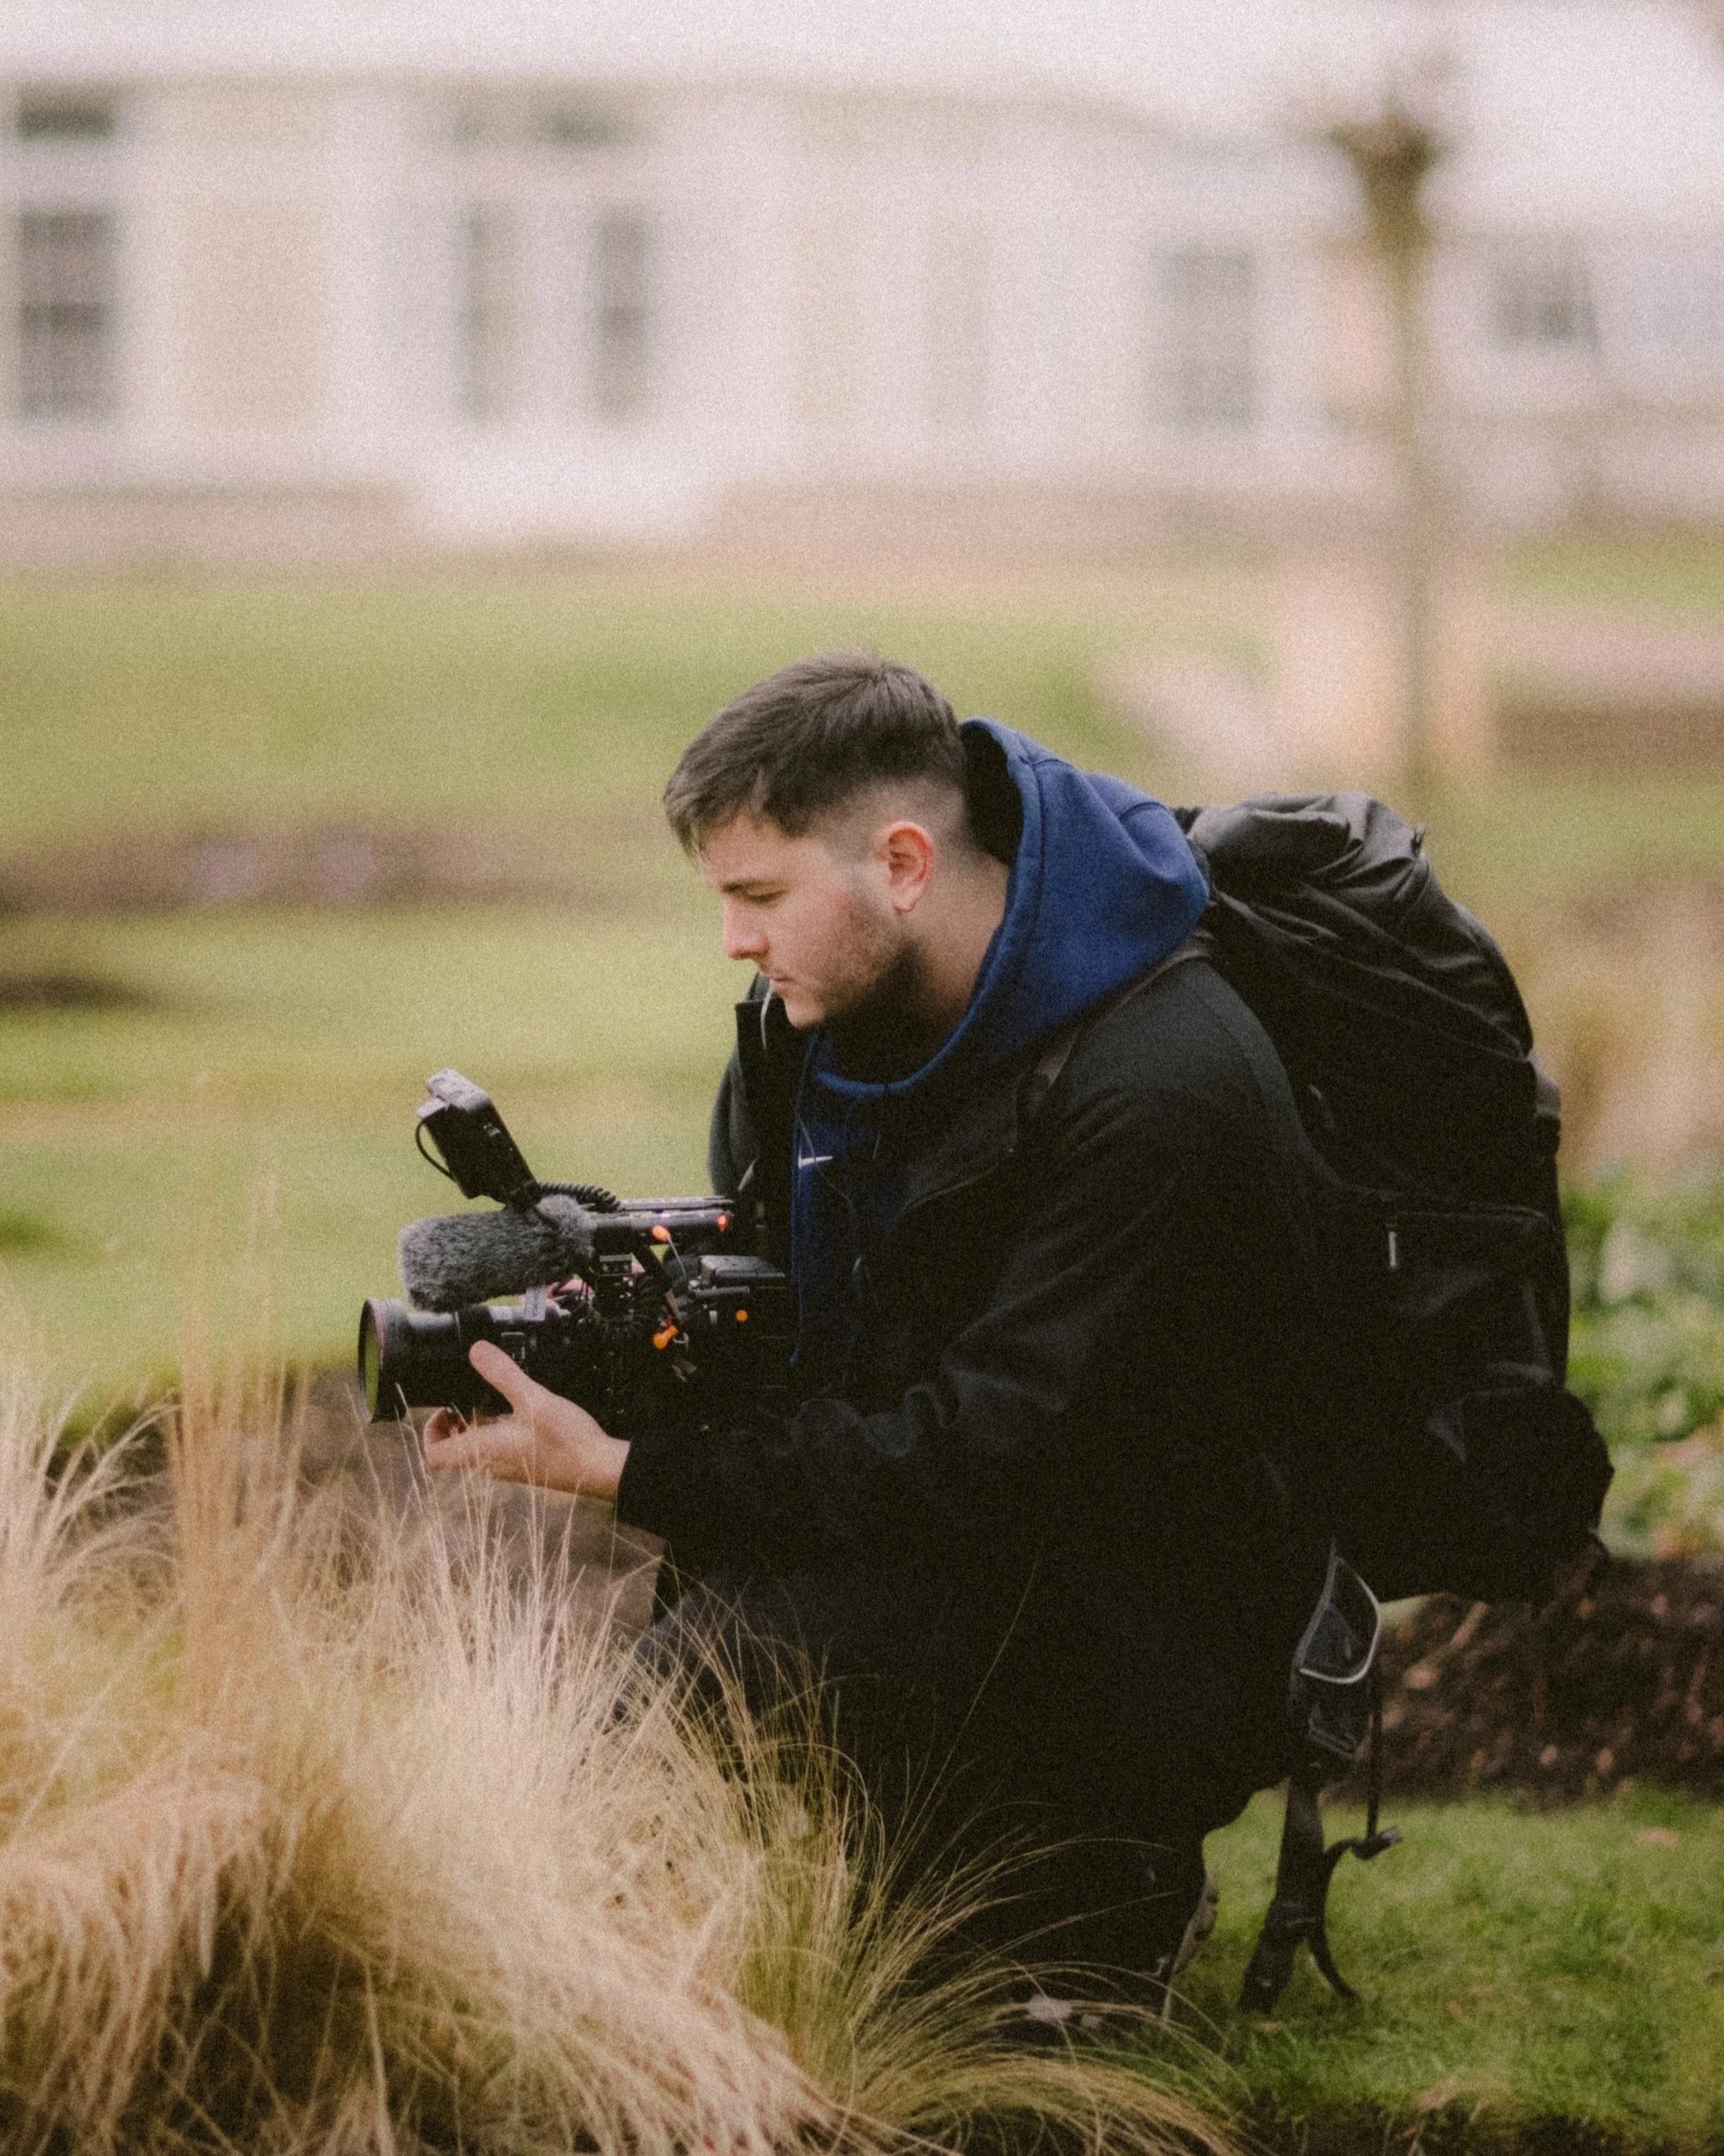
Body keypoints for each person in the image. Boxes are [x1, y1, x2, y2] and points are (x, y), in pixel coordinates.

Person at [424, 653, 1334, 1999]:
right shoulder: (814, 1033)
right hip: (978, 1535)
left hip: (1151, 1607)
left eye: (759, 896)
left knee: (721, 1695)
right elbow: (798, 1330)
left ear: (903, 862)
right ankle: (964, 1864)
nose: (734, 939)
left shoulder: (1162, 1082)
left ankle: (1106, 1873)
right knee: (702, 1663)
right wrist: (614, 1344)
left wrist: (624, 1473)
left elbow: (991, 1446)